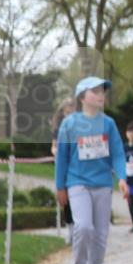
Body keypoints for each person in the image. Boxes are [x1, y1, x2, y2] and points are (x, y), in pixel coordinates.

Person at [55, 78, 129, 264]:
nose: (100, 95)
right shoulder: (69, 124)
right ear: (82, 96)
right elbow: (62, 157)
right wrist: (60, 187)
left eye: (102, 91)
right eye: (95, 91)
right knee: (84, 227)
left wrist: (122, 178)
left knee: (101, 233)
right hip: (77, 182)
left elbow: (117, 153)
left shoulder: (109, 124)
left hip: (103, 184)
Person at [50, 97, 77, 244]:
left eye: (72, 106)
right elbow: (54, 144)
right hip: (63, 162)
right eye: (68, 106)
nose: (70, 108)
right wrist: (56, 150)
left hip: (77, 163)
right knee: (65, 197)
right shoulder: (59, 124)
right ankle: (71, 229)